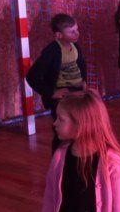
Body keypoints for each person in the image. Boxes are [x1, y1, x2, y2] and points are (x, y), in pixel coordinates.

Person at [26, 14, 87, 152]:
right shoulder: (51, 52)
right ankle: (58, 160)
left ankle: (74, 157)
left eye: (77, 29)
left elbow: (81, 64)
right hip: (62, 97)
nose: (77, 33)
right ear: (59, 35)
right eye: (72, 31)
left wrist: (84, 80)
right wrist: (51, 93)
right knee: (62, 133)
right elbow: (32, 76)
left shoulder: (76, 47)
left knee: (79, 129)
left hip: (78, 92)